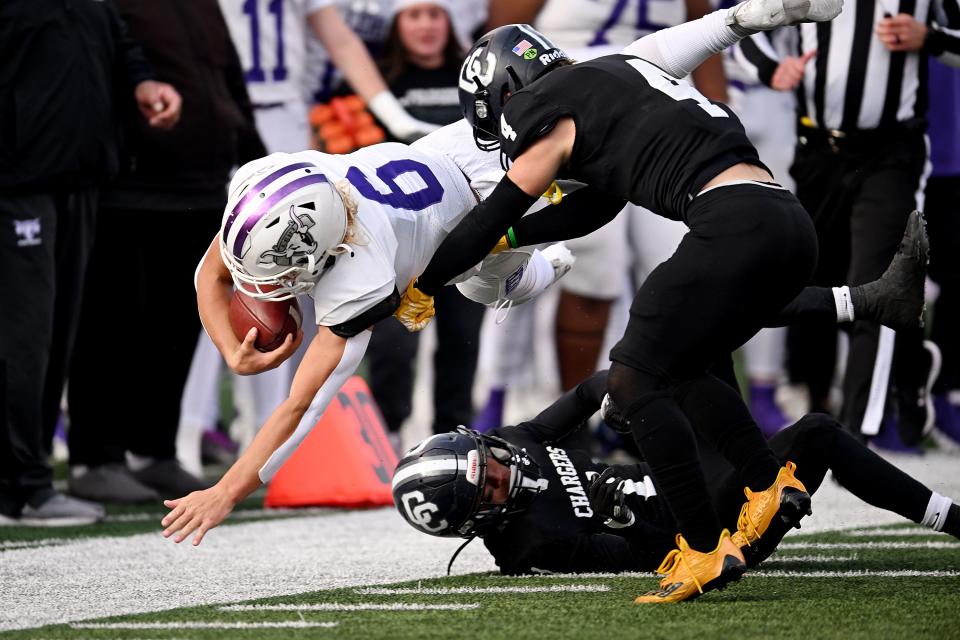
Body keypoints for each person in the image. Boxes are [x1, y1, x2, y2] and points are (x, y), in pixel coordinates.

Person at [393, 0, 850, 602]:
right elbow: (597, 204)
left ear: (508, 96)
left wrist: (423, 283)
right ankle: (769, 482)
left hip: (730, 222)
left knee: (635, 379)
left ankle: (704, 549)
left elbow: (491, 214)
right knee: (683, 362)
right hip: (784, 220)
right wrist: (512, 238)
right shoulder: (614, 73)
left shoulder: (543, 111)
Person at [158, 135, 573, 546]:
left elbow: (302, 407)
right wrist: (231, 352)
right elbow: (211, 272)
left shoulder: (360, 278)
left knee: (481, 287)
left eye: (279, 276)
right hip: (450, 146)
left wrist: (225, 492)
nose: (260, 286)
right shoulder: (272, 186)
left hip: (481, 207)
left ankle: (545, 263)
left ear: (313, 256)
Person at [391, 369, 960, 583]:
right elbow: (645, 556)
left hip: (683, 470)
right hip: (707, 526)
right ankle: (948, 517)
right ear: (474, 519)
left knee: (692, 346)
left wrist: (624, 393)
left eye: (487, 462)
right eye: (486, 486)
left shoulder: (516, 442)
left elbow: (591, 390)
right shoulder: (529, 543)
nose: (499, 472)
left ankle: (846, 302)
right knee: (817, 433)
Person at [66, 0, 265, 503]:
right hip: (129, 184)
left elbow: (227, 77)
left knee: (176, 328)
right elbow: (99, 69)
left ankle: (153, 451)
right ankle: (95, 457)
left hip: (199, 183)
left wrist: (261, 161)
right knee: (110, 325)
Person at [736, 0, 960, 444]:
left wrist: (928, 37)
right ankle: (867, 384)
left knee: (877, 281)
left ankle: (859, 434)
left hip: (891, 150)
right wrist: (772, 70)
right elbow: (743, 28)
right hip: (817, 150)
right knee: (819, 275)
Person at [0, 0, 180, 524]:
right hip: (15, 181)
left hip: (77, 176)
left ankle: (27, 479)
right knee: (22, 337)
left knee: (53, 338)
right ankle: (19, 485)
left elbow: (114, 39)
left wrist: (143, 81)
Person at [363, 0, 486, 443]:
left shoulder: (476, 75)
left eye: (436, 14)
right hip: (400, 237)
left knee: (462, 341)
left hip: (468, 228)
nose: (426, 25)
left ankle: (454, 436)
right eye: (414, 15)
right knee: (394, 344)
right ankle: (386, 433)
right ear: (396, 23)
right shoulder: (373, 80)